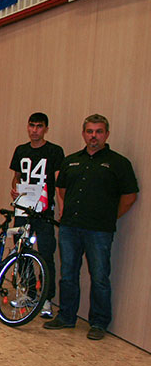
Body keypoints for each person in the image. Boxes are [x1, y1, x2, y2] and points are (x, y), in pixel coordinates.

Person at [44, 114, 138, 340]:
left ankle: (99, 322)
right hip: (70, 228)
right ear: (84, 133)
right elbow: (62, 190)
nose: (93, 136)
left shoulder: (119, 163)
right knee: (68, 275)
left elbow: (130, 196)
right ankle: (66, 316)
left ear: (106, 134)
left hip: (99, 230)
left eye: (98, 131)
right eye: (89, 131)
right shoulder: (72, 160)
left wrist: (109, 216)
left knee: (99, 277)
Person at [9, 112, 65, 318]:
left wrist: (60, 209)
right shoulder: (21, 150)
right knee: (22, 251)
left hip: (43, 212)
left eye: (39, 126)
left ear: (46, 129)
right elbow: (15, 179)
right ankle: (29, 292)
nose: (34, 130)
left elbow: (59, 184)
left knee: (45, 254)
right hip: (23, 210)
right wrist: (14, 191)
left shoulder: (54, 151)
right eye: (31, 126)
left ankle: (46, 299)